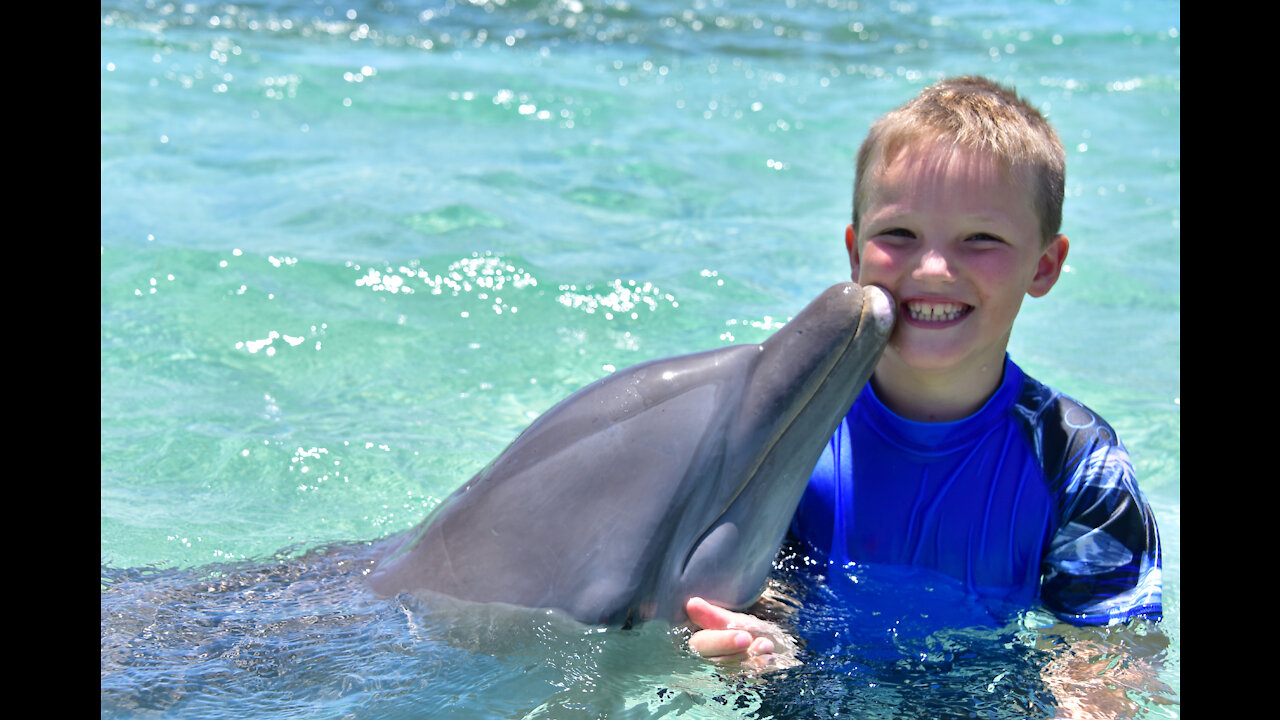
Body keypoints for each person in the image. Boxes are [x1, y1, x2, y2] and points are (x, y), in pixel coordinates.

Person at [685, 76, 1164, 683]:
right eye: (899, 234)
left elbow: (1113, 654)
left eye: (981, 239)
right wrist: (755, 640)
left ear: (1045, 265)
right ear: (855, 251)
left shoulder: (1077, 462)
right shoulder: (788, 431)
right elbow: (738, 591)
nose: (933, 268)